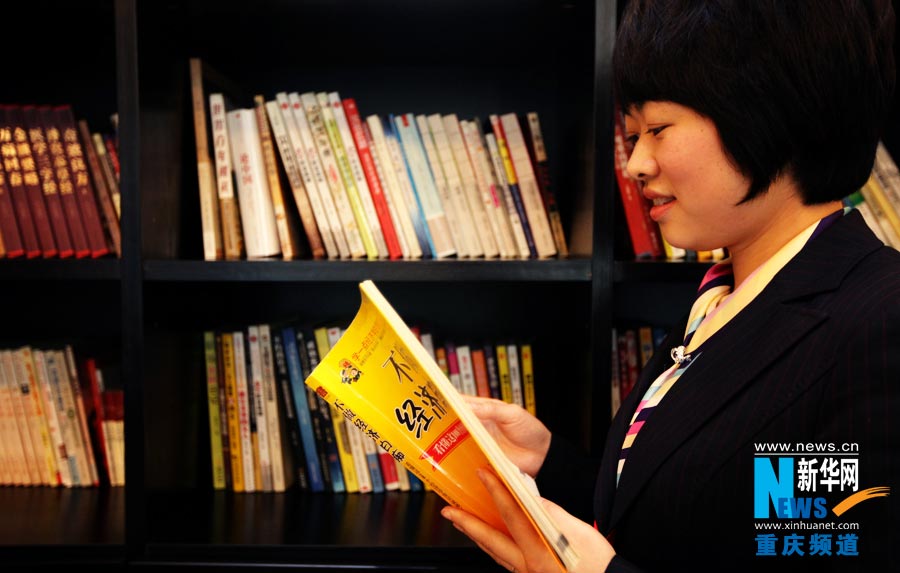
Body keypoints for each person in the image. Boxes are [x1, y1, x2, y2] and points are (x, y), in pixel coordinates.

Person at [439, 1, 900, 571]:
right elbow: (728, 519)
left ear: (769, 113)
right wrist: (549, 464)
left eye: (657, 129)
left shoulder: (877, 324)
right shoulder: (724, 297)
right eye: (633, 136)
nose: (635, 164)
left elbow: (819, 541)